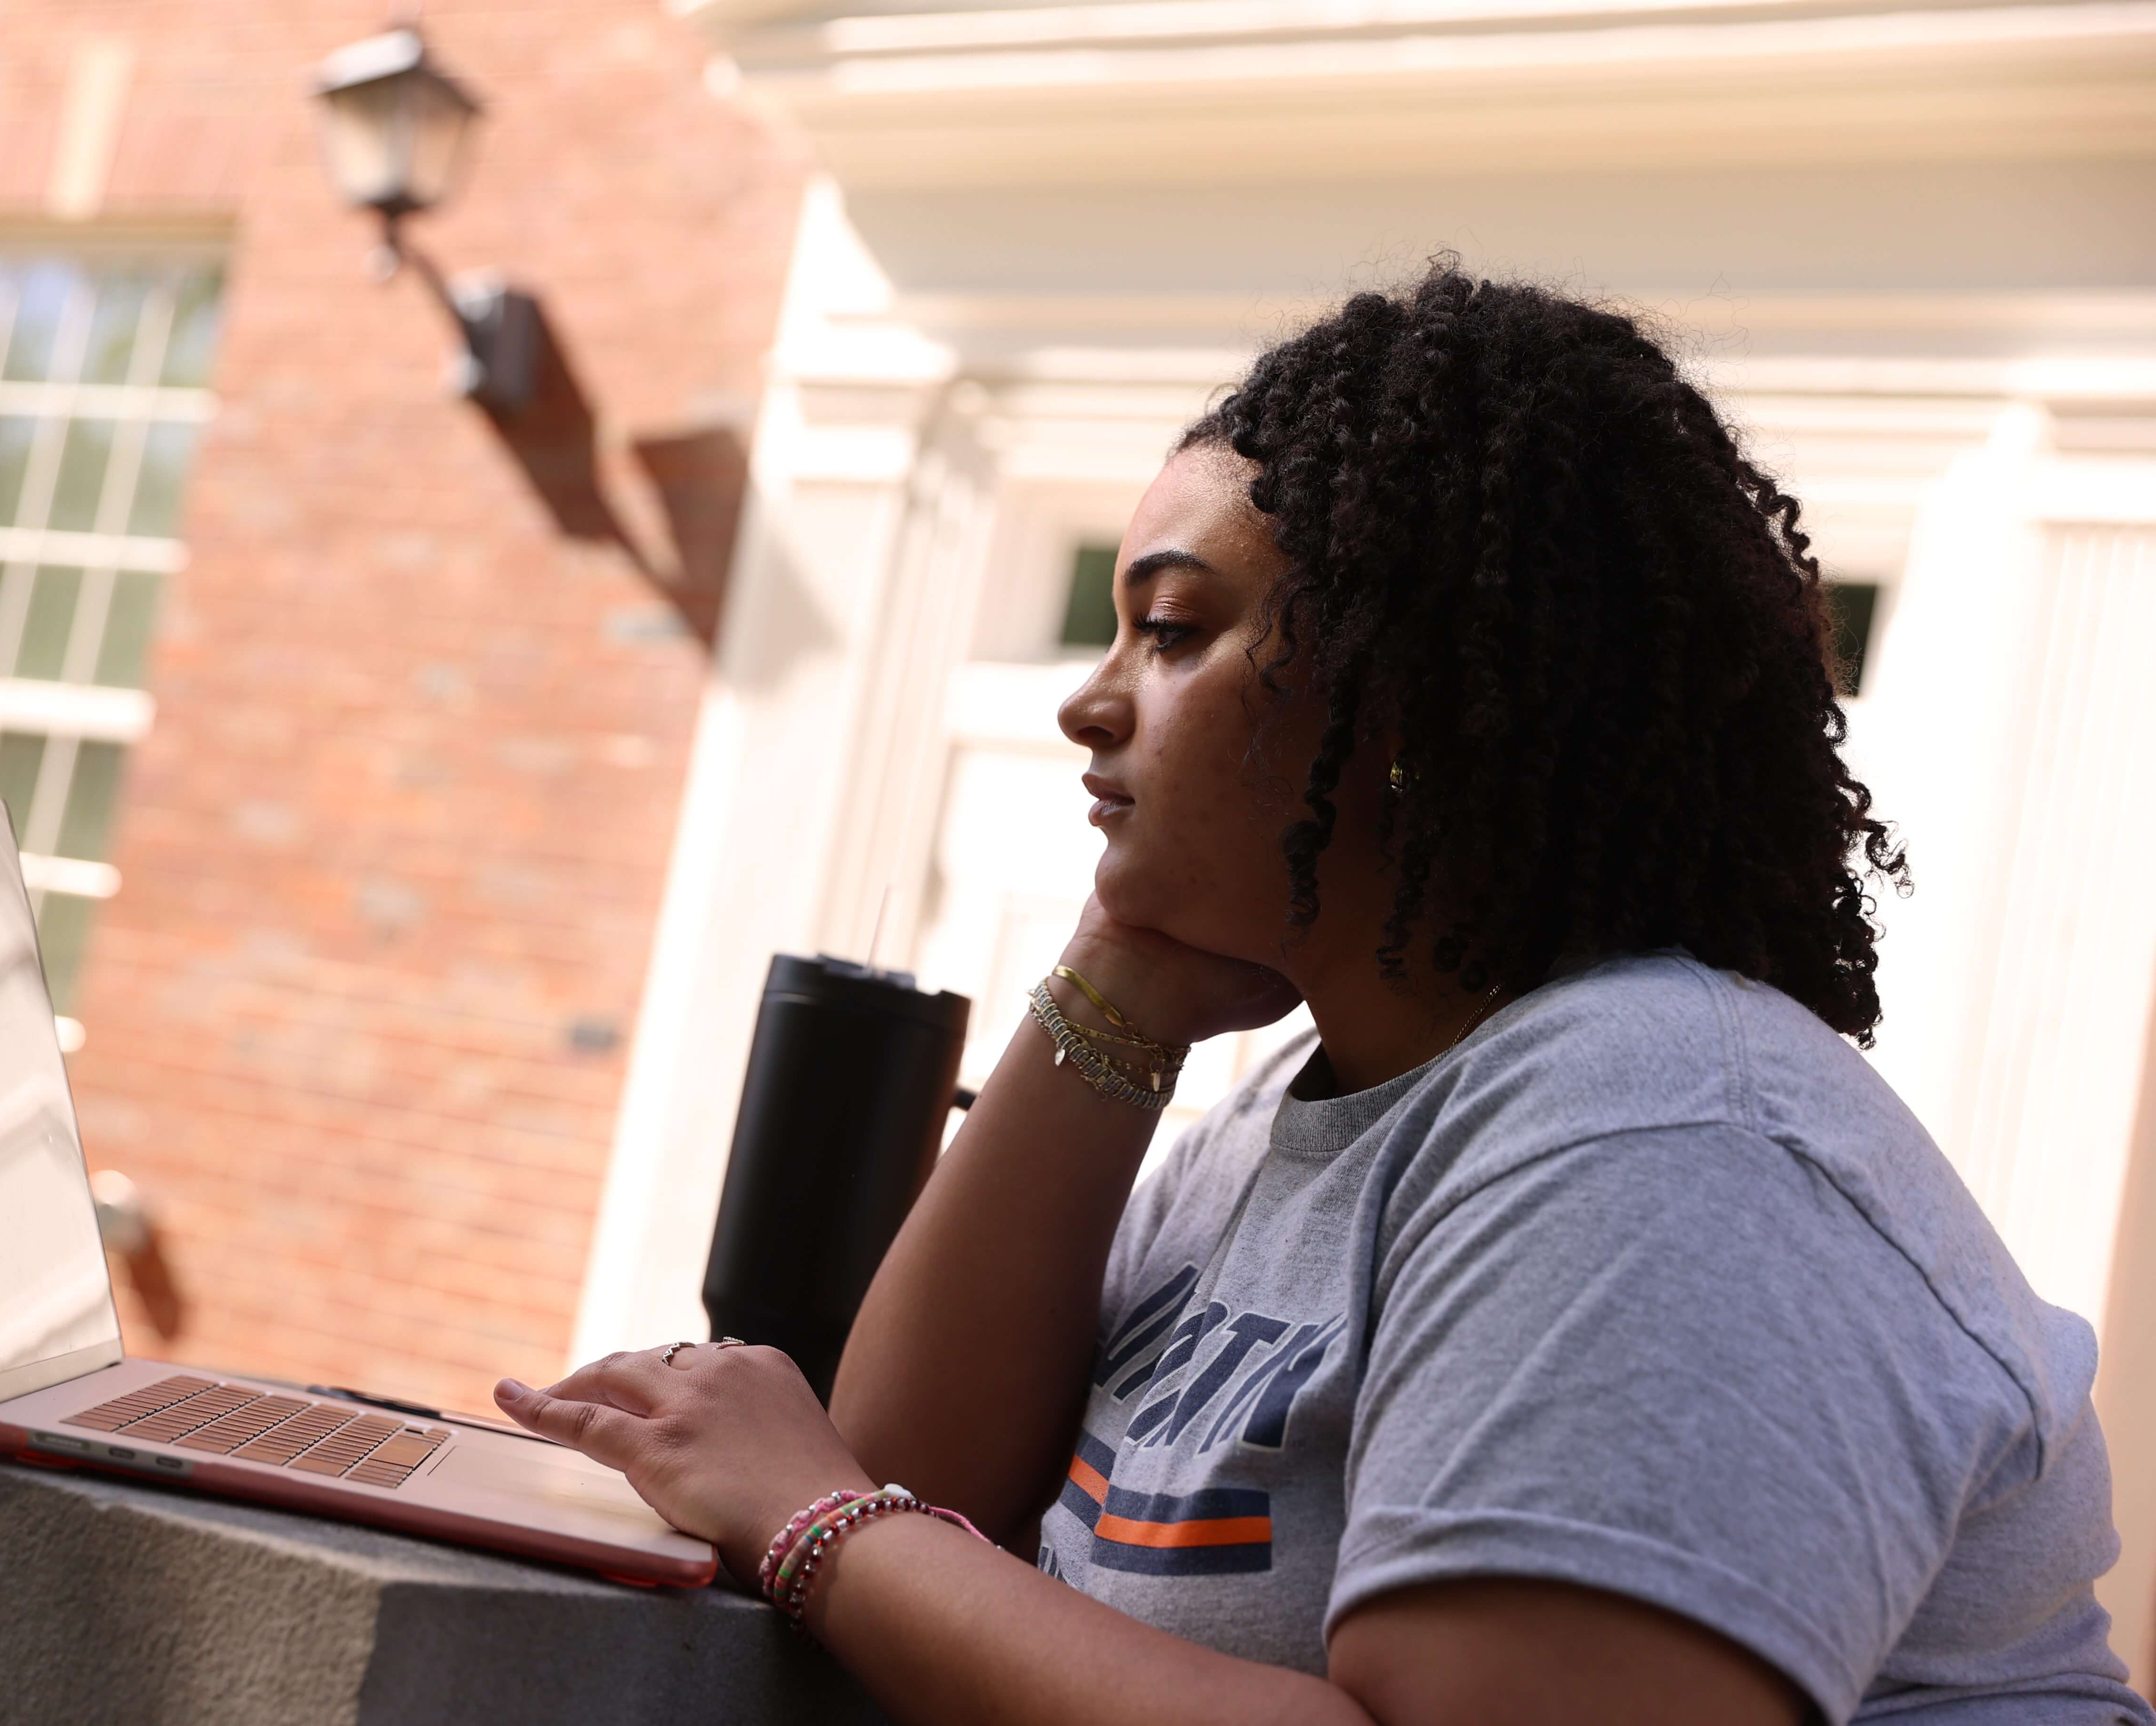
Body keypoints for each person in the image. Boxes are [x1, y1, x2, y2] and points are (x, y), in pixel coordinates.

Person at [492, 267, 2151, 1724]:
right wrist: (1121, 977)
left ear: (1410, 693)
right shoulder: (1298, 1103)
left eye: (1172, 630)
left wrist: (809, 1522)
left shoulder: (1655, 1129)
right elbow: (923, 1468)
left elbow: (866, 1511)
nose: (1090, 701)